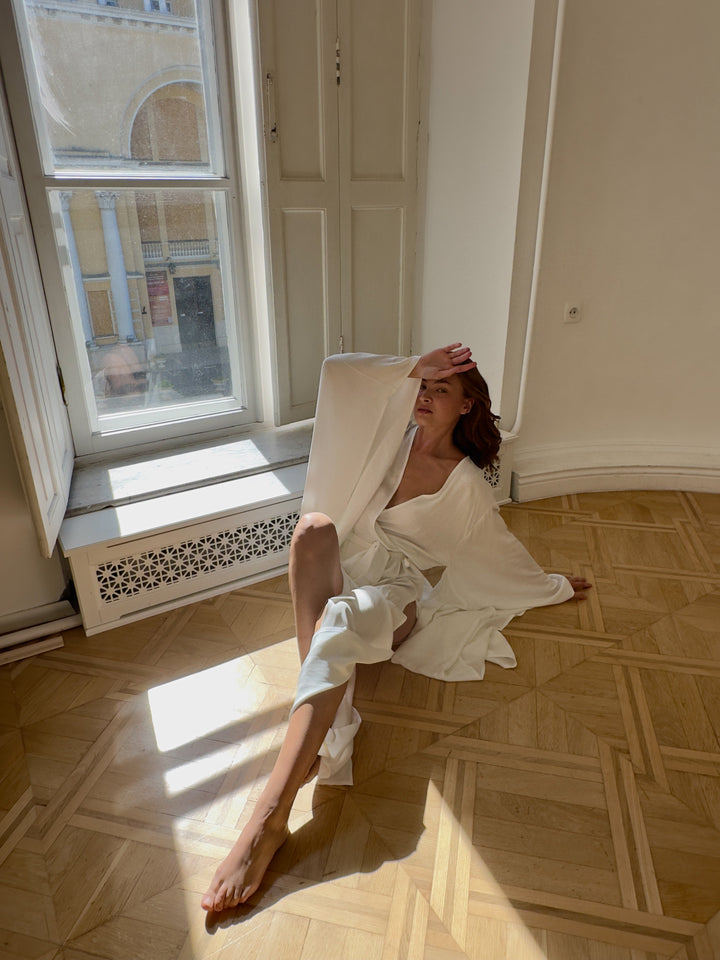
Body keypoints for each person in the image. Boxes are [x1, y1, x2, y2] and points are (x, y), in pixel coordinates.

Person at [200, 343, 591, 912]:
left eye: (442, 390)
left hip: (394, 592)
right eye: (423, 387)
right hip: (344, 564)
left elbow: (498, 554)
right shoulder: (389, 435)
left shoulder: (465, 486)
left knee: (337, 618)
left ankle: (269, 817)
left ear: (466, 406)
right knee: (312, 529)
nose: (425, 397)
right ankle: (320, 729)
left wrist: (551, 585)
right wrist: (414, 365)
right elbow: (337, 372)